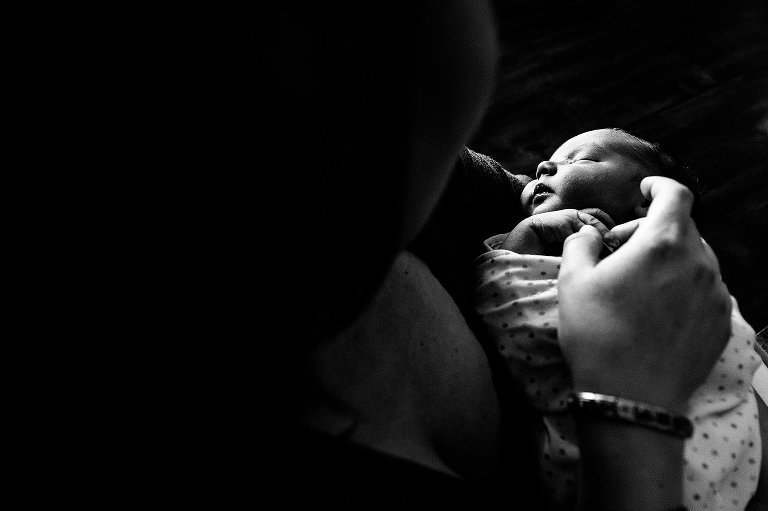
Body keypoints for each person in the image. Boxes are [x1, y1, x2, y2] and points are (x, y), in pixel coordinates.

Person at [257, 2, 737, 509]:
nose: (542, 168)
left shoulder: (409, 168)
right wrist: (634, 405)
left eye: (579, 160)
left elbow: (515, 193)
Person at [473, 128, 764, 510]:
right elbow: (512, 314)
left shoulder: (678, 255)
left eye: (579, 159)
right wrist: (525, 237)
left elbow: (503, 295)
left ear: (646, 200)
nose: (542, 167)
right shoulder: (548, 261)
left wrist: (515, 248)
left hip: (717, 451)